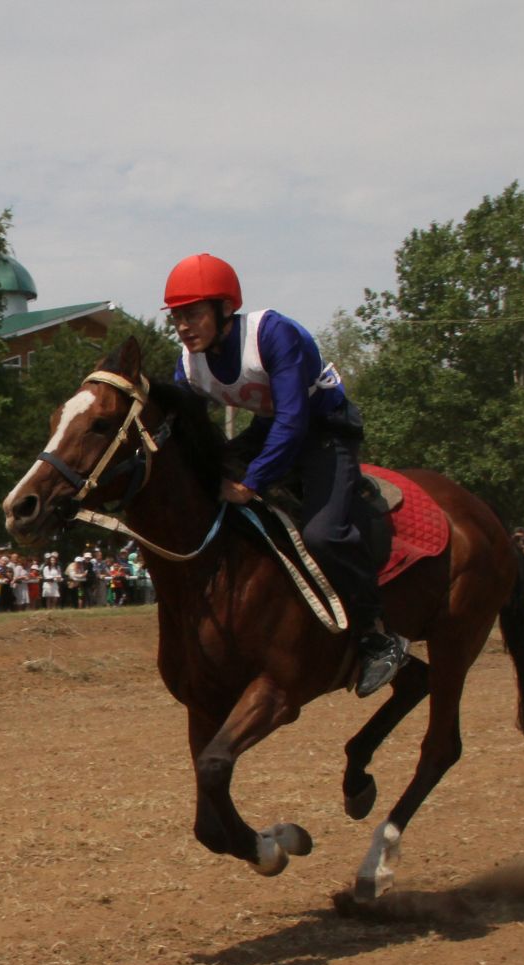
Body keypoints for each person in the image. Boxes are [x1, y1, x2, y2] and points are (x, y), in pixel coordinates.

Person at [164, 251, 407, 696]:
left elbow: (295, 421)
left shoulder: (274, 333)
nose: (183, 326)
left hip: (325, 430)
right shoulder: (187, 364)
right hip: (270, 430)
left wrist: (250, 482)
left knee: (322, 535)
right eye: (177, 317)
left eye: (193, 314)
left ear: (223, 309)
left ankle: (377, 636)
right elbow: (183, 436)